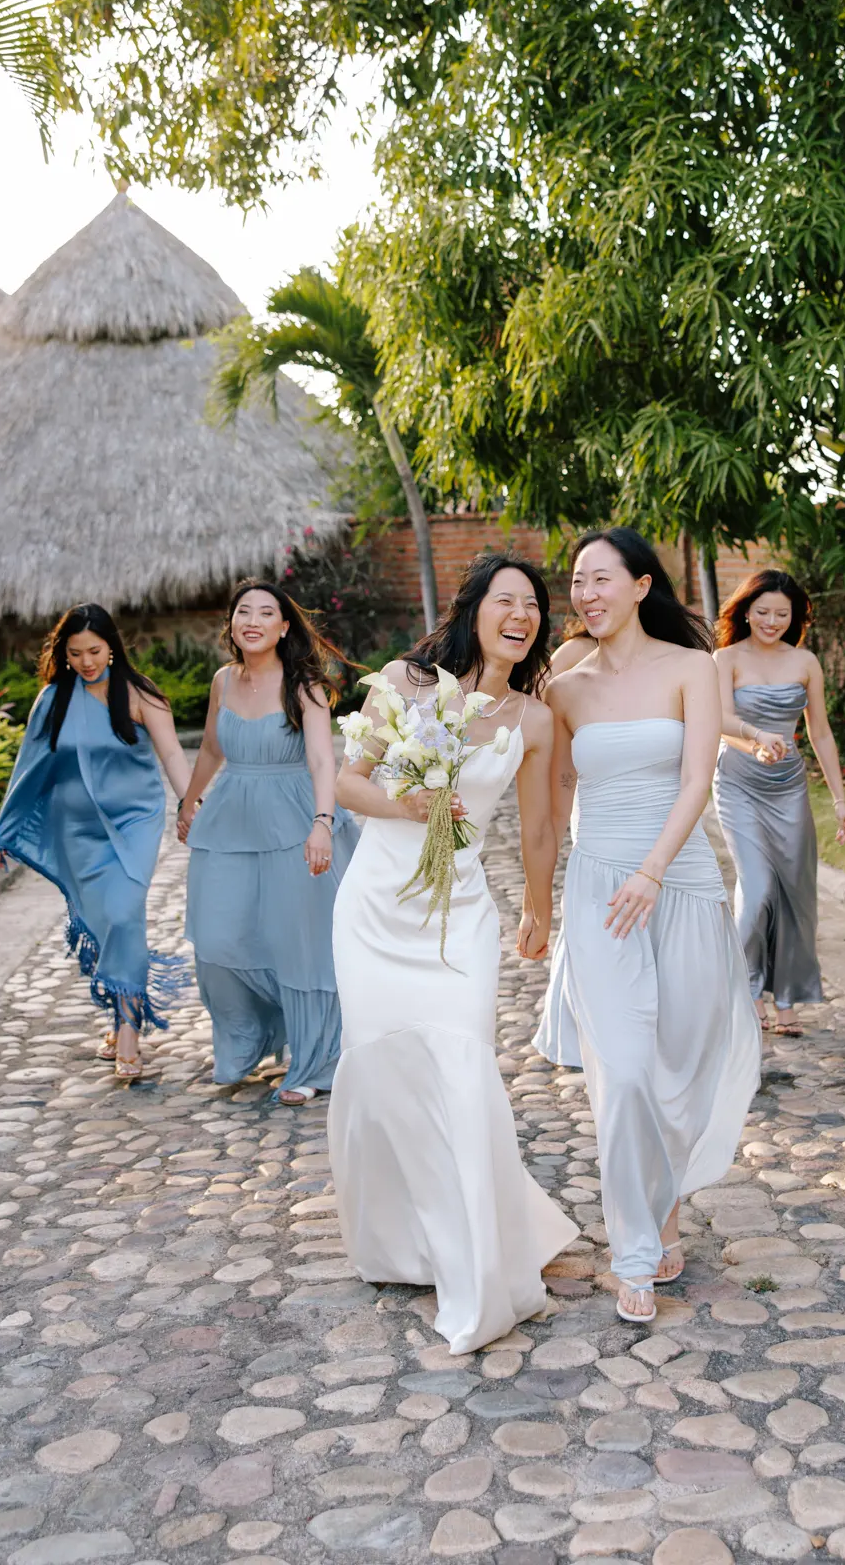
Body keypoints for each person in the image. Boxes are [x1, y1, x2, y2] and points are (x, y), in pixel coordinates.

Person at [330, 554, 576, 1355]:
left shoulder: (534, 720)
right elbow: (348, 783)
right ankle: (407, 1244)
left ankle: (476, 1268)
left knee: (463, 1073)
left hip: (460, 915)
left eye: (533, 605)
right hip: (376, 909)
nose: (521, 614)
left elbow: (538, 826)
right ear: (474, 609)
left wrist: (539, 906)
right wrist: (409, 801)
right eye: (505, 599)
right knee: (389, 1074)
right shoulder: (402, 684)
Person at [535, 528, 761, 1324]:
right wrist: (543, 892)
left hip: (682, 881)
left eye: (602, 579)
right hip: (601, 891)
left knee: (681, 1066)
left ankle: (664, 1213)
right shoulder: (564, 678)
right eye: (577, 582)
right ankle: (633, 1249)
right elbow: (547, 778)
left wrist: (654, 869)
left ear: (639, 585)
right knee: (625, 1071)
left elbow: (697, 776)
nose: (587, 594)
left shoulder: (691, 668)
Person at [0, 603, 192, 1082]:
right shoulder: (52, 699)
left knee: (125, 916)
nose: (86, 662)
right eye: (76, 653)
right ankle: (122, 1014)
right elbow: (30, 767)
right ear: (63, 653)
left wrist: (190, 804)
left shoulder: (139, 693)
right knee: (106, 925)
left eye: (95, 651)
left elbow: (170, 752)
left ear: (112, 647)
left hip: (133, 824)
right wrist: (6, 825)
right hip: (76, 832)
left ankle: (128, 1032)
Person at [177, 580, 357, 1105]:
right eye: (242, 612)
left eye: (265, 613)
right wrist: (189, 802)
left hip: (295, 819)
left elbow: (324, 759)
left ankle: (314, 1061)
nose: (251, 620)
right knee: (217, 940)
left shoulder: (304, 686)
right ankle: (247, 1037)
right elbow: (211, 748)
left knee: (299, 946)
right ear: (231, 624)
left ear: (283, 627)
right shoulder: (222, 681)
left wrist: (322, 822)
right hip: (232, 815)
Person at [713, 569, 845, 1038]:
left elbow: (820, 731)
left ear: (794, 618)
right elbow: (719, 720)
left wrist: (838, 799)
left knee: (794, 894)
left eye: (782, 614)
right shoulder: (725, 658)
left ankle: (786, 998)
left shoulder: (805, 662)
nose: (771, 621)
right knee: (757, 891)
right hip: (737, 782)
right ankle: (747, 991)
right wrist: (755, 739)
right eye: (763, 611)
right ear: (746, 611)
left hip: (788, 786)